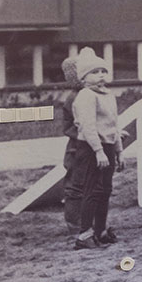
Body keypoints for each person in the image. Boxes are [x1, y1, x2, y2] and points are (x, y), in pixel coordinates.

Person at [71, 47, 124, 250]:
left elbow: (114, 125)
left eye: (103, 71)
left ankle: (100, 230)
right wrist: (98, 151)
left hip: (107, 147)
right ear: (84, 78)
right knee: (92, 190)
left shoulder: (108, 95)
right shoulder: (86, 96)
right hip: (91, 148)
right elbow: (88, 126)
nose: (100, 75)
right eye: (94, 72)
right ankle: (84, 234)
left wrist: (119, 151)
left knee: (105, 190)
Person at [60, 53, 83, 237]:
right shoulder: (75, 98)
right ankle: (75, 226)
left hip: (86, 146)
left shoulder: (88, 95)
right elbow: (73, 126)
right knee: (75, 187)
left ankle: (86, 224)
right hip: (77, 149)